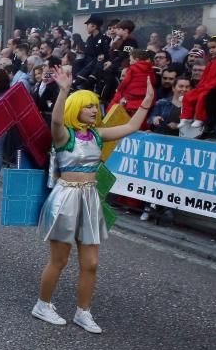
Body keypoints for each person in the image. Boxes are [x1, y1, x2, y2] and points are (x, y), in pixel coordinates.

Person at [32, 67, 154, 333]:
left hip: (89, 199)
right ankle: (43, 304)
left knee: (92, 263)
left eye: (95, 106)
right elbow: (55, 123)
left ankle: (83, 312)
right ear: (75, 108)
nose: (93, 110)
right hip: (66, 199)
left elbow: (132, 126)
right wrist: (64, 90)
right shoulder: (65, 136)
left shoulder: (98, 134)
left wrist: (146, 102)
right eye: (87, 106)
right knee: (59, 260)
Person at [177, 35, 216, 137]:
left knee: (203, 97)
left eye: (214, 47)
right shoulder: (211, 61)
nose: (211, 50)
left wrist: (208, 86)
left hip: (213, 88)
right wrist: (200, 86)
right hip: (205, 86)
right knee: (188, 96)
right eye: (210, 48)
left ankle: (200, 120)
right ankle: (186, 117)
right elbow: (205, 76)